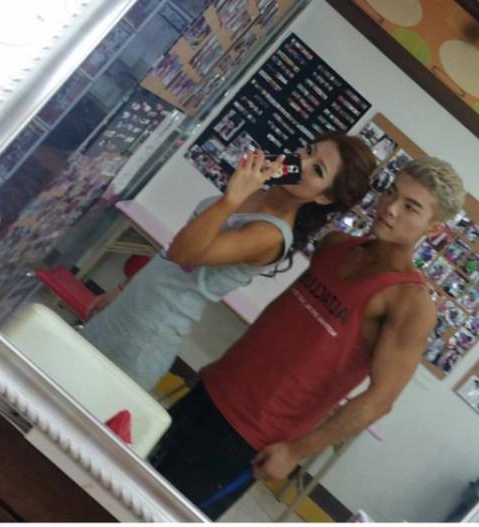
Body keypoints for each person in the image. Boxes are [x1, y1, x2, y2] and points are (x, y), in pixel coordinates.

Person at [149, 156, 466, 519]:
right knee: (120, 480)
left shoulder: (410, 303)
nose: (391, 208)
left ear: (433, 229)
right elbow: (288, 325)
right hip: (213, 389)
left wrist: (297, 451)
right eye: (391, 193)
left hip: (252, 435)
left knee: (162, 519)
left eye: (411, 207)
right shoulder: (335, 244)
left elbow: (380, 400)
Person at [80, 132, 376, 390]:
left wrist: (231, 199)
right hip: (128, 307)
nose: (302, 162)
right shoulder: (255, 194)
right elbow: (171, 255)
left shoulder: (270, 234)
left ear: (323, 198)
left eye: (317, 170)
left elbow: (183, 253)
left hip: (146, 334)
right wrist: (123, 288)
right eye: (308, 150)